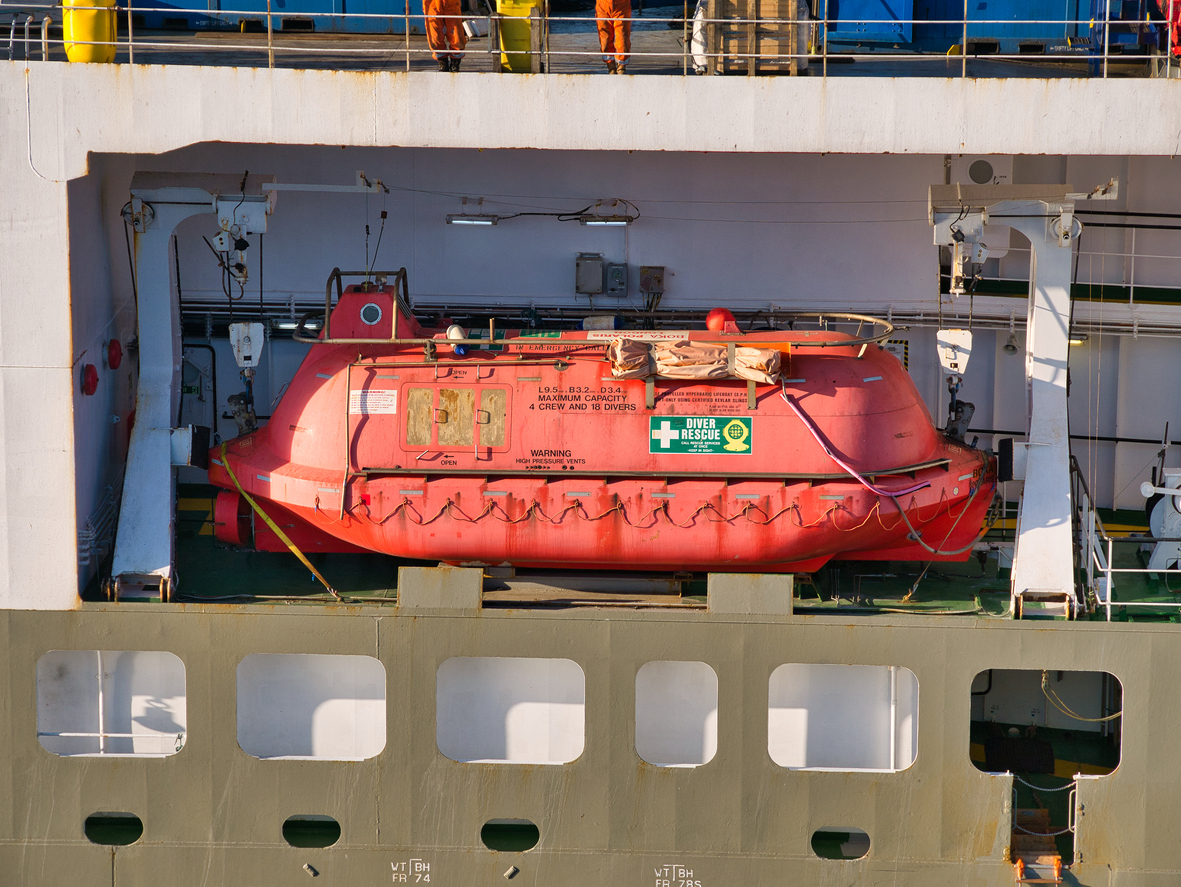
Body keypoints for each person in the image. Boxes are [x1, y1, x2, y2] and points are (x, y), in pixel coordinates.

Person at [426, 0, 467, 71]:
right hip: (432, 3)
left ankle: (455, 63)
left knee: (456, 33)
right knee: (434, 34)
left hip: (451, 2)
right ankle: (443, 63)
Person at [596, 0, 631, 73]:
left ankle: (621, 68)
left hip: (622, 7)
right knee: (605, 39)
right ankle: (611, 68)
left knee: (622, 39)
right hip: (602, 6)